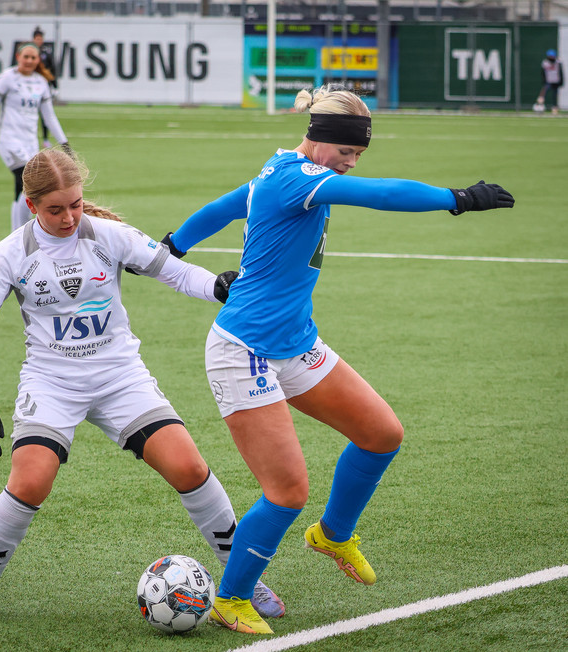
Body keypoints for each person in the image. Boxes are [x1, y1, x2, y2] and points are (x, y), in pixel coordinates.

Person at [161, 85, 515, 635]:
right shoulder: (298, 178)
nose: (351, 162)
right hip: (243, 351)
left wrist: (177, 242)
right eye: (346, 151)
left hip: (295, 342)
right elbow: (382, 194)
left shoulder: (280, 170)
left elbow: (229, 204)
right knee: (287, 493)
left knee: (381, 434)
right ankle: (231, 599)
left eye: (359, 154)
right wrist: (458, 198)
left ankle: (333, 535)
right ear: (320, 138)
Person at [0, 148, 284, 624]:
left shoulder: (108, 235)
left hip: (120, 376)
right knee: (30, 482)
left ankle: (242, 581)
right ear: (31, 205)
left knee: (189, 467)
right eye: (55, 209)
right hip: (52, 382)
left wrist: (216, 286)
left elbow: (173, 270)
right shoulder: (11, 253)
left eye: (75, 204)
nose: (69, 217)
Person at [0, 43, 70, 232]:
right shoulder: (7, 78)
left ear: (38, 60)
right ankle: (20, 232)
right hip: (9, 141)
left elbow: (49, 116)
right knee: (28, 182)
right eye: (26, 57)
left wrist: (64, 142)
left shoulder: (41, 82)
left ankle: (17, 233)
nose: (29, 61)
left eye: (33, 57)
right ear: (18, 57)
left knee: (23, 187)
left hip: (30, 144)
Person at [32, 27, 58, 148]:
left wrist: (55, 86)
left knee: (45, 114)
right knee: (30, 112)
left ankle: (46, 139)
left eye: (40, 38)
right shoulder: (30, 52)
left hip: (43, 87)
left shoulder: (46, 52)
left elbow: (52, 69)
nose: (39, 40)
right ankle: (30, 137)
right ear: (33, 39)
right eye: (37, 38)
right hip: (31, 87)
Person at [534, 49, 563, 115]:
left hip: (556, 81)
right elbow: (543, 73)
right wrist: (544, 80)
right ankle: (539, 105)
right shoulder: (545, 63)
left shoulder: (558, 62)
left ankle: (554, 109)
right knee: (543, 93)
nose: (551, 57)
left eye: (552, 56)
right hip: (548, 81)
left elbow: (560, 72)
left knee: (554, 96)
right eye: (550, 56)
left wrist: (561, 81)